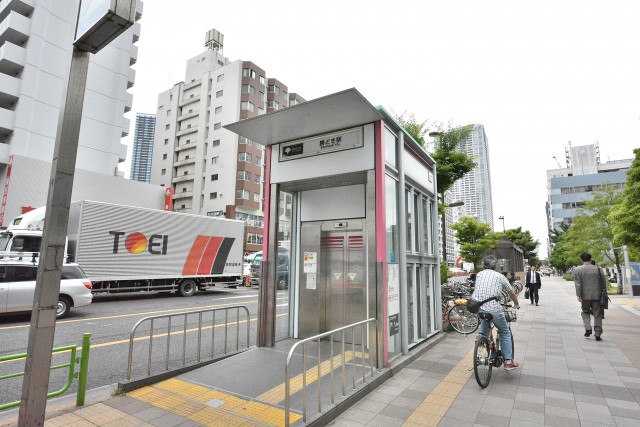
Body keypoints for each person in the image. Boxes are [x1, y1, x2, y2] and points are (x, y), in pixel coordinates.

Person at [472, 255, 521, 370]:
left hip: (479, 308)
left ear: (484, 265)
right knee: (504, 331)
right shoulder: (500, 276)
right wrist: (516, 304)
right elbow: (512, 293)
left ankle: (481, 340)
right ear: (495, 266)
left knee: (484, 327)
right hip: (494, 309)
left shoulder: (479, 274)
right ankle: (508, 361)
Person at [573, 252, 605, 341]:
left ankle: (588, 328)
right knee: (597, 314)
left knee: (585, 312)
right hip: (597, 295)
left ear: (581, 259)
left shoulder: (577, 270)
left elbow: (578, 284)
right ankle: (598, 333)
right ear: (591, 259)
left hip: (585, 296)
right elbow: (603, 283)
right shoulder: (598, 269)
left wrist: (579, 295)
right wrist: (604, 294)